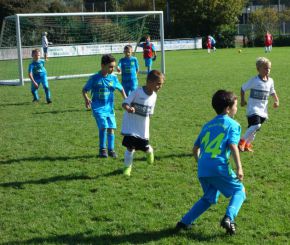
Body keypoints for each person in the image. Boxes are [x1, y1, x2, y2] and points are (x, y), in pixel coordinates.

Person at [176, 90, 246, 235]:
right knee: (239, 191)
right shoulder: (233, 125)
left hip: (203, 167)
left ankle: (184, 222)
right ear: (228, 108)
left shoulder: (207, 125)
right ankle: (228, 218)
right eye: (235, 106)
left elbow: (195, 149)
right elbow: (233, 146)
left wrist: (201, 162)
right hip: (218, 166)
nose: (236, 109)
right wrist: (239, 168)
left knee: (209, 197)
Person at [121, 70, 164, 177]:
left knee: (144, 147)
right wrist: (129, 108)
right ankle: (127, 168)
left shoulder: (154, 96)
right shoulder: (137, 92)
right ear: (149, 82)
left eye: (161, 84)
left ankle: (150, 151)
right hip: (131, 126)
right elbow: (124, 103)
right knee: (130, 147)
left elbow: (150, 113)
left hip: (142, 128)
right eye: (158, 84)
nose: (160, 86)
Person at [82, 54, 127, 158]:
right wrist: (86, 98)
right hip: (98, 107)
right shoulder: (94, 78)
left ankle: (111, 150)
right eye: (110, 66)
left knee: (111, 128)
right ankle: (102, 149)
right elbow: (84, 90)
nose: (112, 69)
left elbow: (121, 89)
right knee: (104, 126)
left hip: (109, 108)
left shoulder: (113, 79)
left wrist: (126, 99)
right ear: (102, 66)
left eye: (113, 67)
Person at [238, 57, 279, 152]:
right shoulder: (254, 80)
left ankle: (247, 144)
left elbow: (272, 91)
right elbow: (243, 88)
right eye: (265, 68)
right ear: (258, 69)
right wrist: (242, 100)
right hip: (253, 109)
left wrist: (276, 100)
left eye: (269, 68)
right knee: (257, 125)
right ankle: (241, 141)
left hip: (263, 110)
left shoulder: (271, 81)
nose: (267, 70)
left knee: (254, 129)